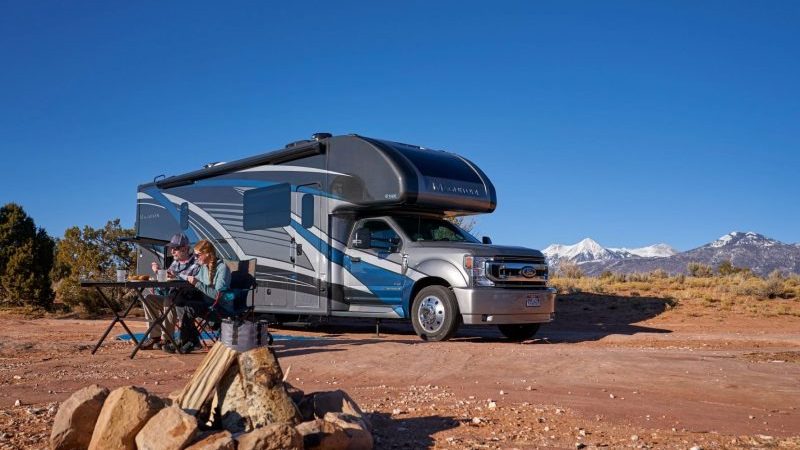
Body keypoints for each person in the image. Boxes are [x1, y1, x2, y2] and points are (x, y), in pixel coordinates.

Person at [164, 239, 231, 354]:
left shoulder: (222, 268)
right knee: (180, 302)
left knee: (187, 307)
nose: (195, 257)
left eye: (198, 255)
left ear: (208, 253)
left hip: (219, 308)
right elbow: (193, 281)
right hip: (206, 304)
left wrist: (197, 283)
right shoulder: (204, 268)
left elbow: (218, 296)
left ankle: (186, 341)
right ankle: (189, 340)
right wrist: (176, 276)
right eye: (194, 254)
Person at [139, 233, 200, 350]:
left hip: (188, 300)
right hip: (173, 297)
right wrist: (159, 273)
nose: (172, 252)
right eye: (171, 248)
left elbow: (193, 283)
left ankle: (166, 339)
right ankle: (155, 336)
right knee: (148, 299)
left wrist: (174, 276)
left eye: (175, 249)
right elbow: (165, 285)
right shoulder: (175, 263)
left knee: (169, 300)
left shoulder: (196, 262)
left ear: (185, 248)